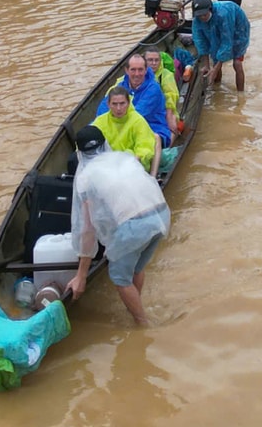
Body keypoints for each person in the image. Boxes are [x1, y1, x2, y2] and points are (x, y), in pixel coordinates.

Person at [66, 125, 170, 326]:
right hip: (161, 214)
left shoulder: (85, 178)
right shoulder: (125, 158)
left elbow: (87, 229)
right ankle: (135, 304)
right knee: (136, 268)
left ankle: (142, 324)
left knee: (120, 279)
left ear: (79, 153)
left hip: (136, 227)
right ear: (105, 144)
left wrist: (81, 276)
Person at [96, 54, 171, 148]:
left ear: (146, 70)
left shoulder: (153, 89)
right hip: (122, 124)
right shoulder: (121, 86)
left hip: (152, 126)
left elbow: (138, 113)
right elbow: (102, 109)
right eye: (133, 70)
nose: (137, 74)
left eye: (140, 70)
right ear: (127, 70)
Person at [92, 86, 161, 177]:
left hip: (132, 165)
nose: (118, 108)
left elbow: (144, 147)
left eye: (122, 103)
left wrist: (134, 160)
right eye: (114, 104)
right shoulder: (100, 121)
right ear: (108, 105)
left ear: (128, 103)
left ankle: (153, 177)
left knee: (156, 138)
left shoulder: (138, 121)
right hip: (109, 166)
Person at [191, 0, 251, 92]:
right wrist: (207, 65)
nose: (202, 17)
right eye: (199, 15)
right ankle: (217, 88)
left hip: (238, 27)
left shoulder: (223, 14)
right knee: (215, 59)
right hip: (220, 25)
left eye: (205, 14)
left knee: (237, 63)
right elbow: (200, 41)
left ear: (210, 10)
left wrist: (215, 69)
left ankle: (241, 93)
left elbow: (226, 41)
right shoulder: (197, 21)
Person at [143, 46, 179, 140]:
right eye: (150, 60)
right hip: (146, 111)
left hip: (164, 111)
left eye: (156, 60)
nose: (154, 63)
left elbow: (171, 95)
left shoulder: (166, 75)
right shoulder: (139, 73)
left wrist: (169, 115)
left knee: (172, 125)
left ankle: (168, 145)